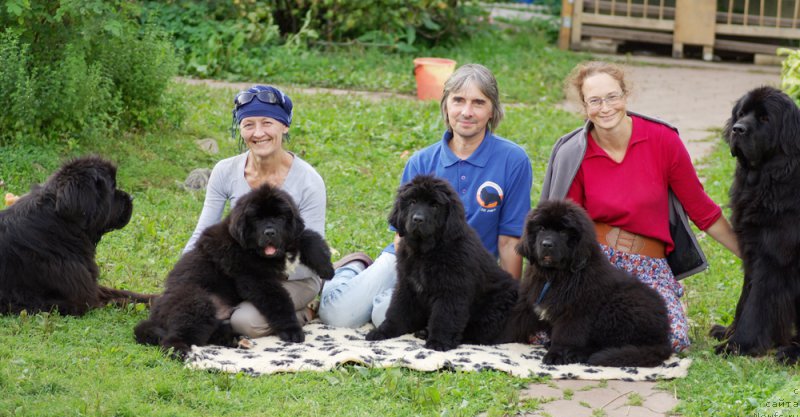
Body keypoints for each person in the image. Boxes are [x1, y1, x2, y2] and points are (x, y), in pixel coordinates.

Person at [540, 61, 741, 352]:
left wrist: (751, 256)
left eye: (612, 97)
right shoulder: (576, 152)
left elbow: (703, 210)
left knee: (671, 339)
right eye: (594, 101)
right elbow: (565, 226)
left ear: (625, 95)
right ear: (584, 107)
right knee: (554, 334)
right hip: (594, 261)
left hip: (648, 263)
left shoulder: (662, 140)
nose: (605, 108)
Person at [319, 63, 533, 328]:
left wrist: (512, 301)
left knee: (383, 314)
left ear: (492, 110)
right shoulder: (422, 161)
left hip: (461, 270)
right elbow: (402, 236)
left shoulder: (513, 160)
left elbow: (510, 241)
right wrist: (413, 283)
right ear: (445, 106)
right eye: (458, 100)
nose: (467, 112)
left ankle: (380, 298)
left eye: (478, 102)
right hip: (411, 258)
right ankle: (352, 269)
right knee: (337, 316)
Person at [184, 85, 327, 338]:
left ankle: (306, 311)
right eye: (249, 124)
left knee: (244, 323)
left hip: (296, 276)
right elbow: (201, 234)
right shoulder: (224, 171)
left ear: (285, 126)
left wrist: (251, 277)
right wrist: (185, 280)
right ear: (240, 129)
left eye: (267, 123)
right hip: (245, 273)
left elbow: (310, 253)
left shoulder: (309, 181)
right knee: (204, 311)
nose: (258, 133)